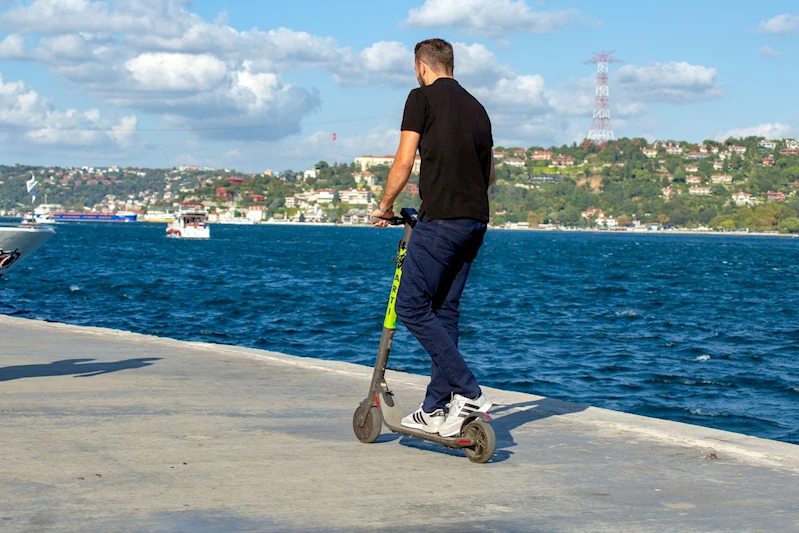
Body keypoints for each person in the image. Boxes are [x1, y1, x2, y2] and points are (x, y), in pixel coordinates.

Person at [371, 38, 496, 437]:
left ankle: (469, 391)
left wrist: (385, 206)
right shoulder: (478, 109)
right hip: (475, 221)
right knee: (445, 311)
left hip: (441, 219)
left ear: (422, 67)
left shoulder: (420, 97)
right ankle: (436, 407)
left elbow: (404, 160)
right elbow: (488, 175)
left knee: (410, 306)